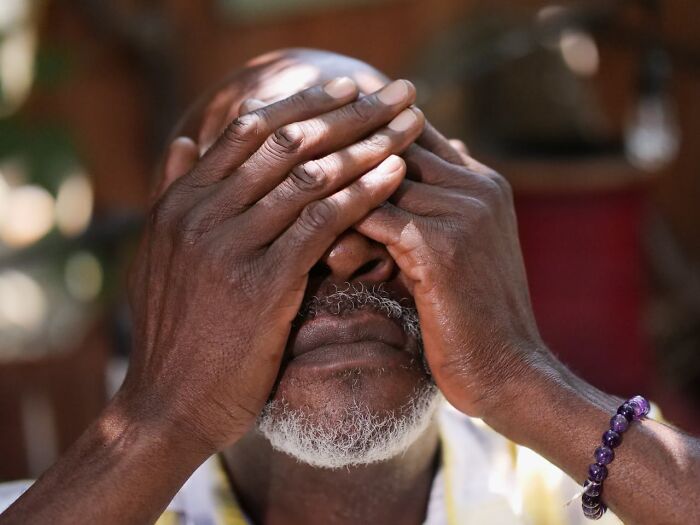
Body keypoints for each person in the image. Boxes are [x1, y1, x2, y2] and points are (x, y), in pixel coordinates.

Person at [0, 48, 698, 525]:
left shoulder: (599, 491)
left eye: (386, 189)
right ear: (171, 236)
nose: (341, 255)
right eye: (267, 202)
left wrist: (523, 378)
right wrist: (160, 419)